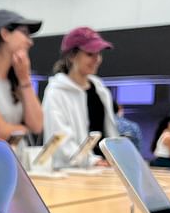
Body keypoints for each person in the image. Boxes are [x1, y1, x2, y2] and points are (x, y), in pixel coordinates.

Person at [41, 27, 117, 168]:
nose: (97, 59)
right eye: (90, 54)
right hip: (71, 174)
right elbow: (59, 139)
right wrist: (93, 161)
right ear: (71, 56)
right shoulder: (56, 92)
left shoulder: (101, 90)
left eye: (98, 53)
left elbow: (109, 132)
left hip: (104, 171)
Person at [0, 9, 43, 141]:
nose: (30, 42)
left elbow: (37, 125)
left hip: (17, 160)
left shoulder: (16, 79)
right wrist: (24, 129)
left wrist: (24, 79)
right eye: (25, 33)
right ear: (5, 33)